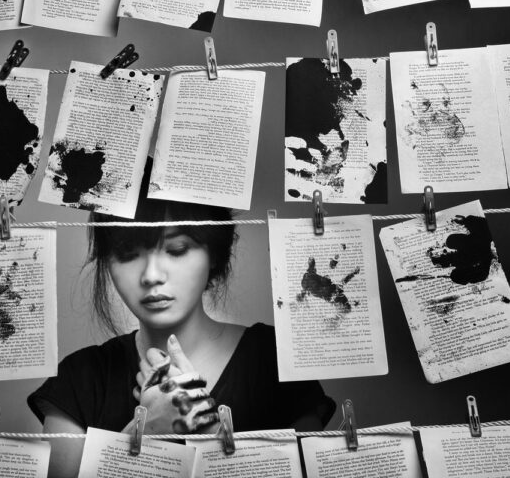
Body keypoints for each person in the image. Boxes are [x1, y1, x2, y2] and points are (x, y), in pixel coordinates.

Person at [28, 168, 335, 475]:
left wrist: (210, 436)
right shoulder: (79, 379)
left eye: (177, 250)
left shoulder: (274, 360)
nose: (151, 275)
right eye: (128, 253)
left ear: (214, 253)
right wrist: (145, 431)